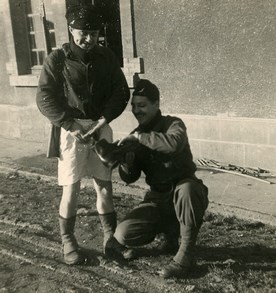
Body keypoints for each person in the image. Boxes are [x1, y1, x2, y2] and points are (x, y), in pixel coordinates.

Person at [36, 5, 130, 265]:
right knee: (72, 189)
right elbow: (45, 97)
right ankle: (68, 242)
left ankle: (110, 239)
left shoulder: (106, 57)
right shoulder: (57, 59)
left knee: (105, 188)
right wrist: (70, 124)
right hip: (71, 132)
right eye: (82, 33)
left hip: (100, 128)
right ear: (71, 30)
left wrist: (103, 120)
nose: (88, 39)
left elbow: (120, 91)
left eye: (93, 33)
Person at [105, 79, 209, 278]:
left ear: (156, 104)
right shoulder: (135, 135)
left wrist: (140, 139)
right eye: (134, 106)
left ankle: (185, 255)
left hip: (184, 194)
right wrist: (127, 161)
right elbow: (130, 177)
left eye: (142, 105)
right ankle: (170, 237)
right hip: (157, 199)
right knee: (123, 233)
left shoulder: (173, 124)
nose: (137, 111)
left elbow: (173, 144)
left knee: (187, 189)